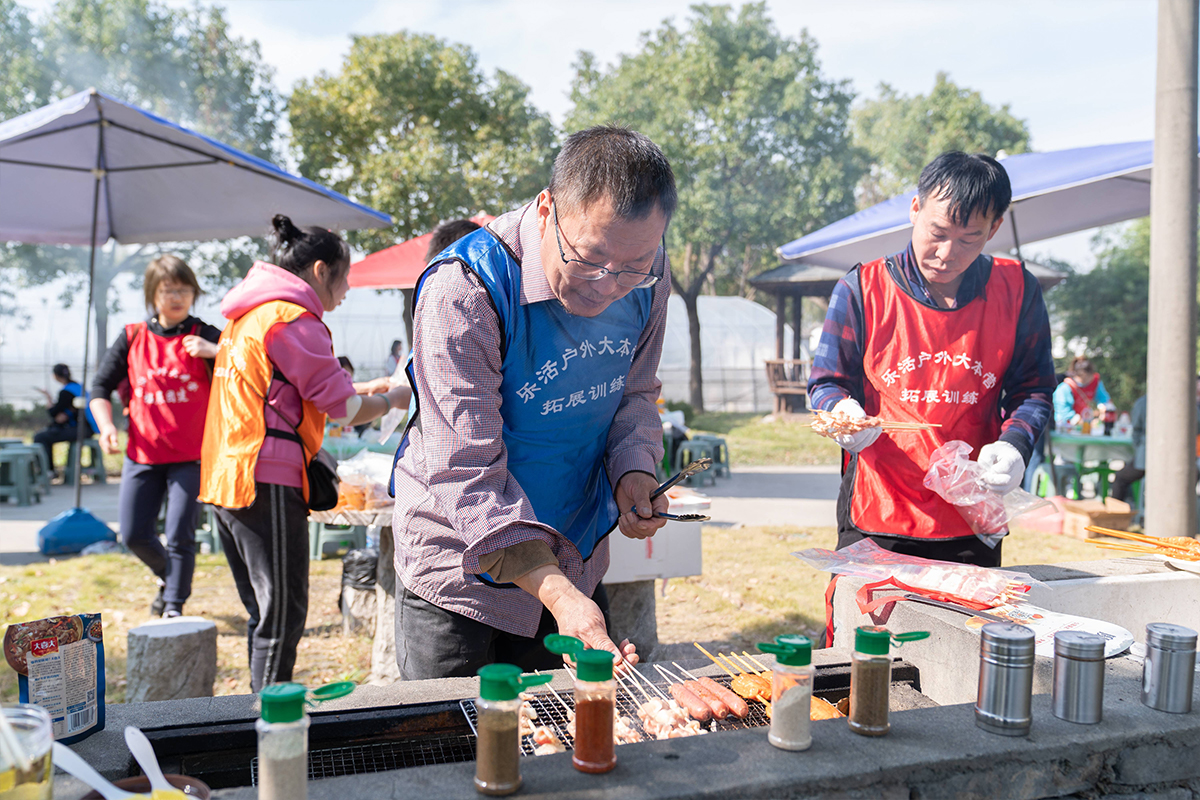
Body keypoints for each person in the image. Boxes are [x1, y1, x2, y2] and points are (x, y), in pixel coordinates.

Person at [392, 126, 675, 679]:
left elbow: (635, 393)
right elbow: (466, 471)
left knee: (571, 746)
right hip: (460, 574)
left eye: (633, 266)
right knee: (458, 751)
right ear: (547, 210)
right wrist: (563, 599)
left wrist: (635, 469)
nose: (607, 285)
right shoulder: (466, 289)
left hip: (574, 554)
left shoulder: (649, 277)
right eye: (589, 258)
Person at [808, 151, 1055, 571]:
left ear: (994, 228)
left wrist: (1015, 445)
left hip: (971, 510)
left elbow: (1034, 389)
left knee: (965, 630)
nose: (946, 253)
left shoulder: (1017, 290)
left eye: (969, 239)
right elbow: (826, 384)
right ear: (915, 209)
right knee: (868, 629)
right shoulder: (862, 289)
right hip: (879, 504)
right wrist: (841, 412)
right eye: (936, 232)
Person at [199, 214, 410, 692]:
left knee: (263, 612)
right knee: (284, 613)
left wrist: (365, 388)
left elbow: (287, 392)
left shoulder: (250, 316)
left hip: (226, 474)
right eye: (346, 275)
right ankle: (269, 728)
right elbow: (344, 407)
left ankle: (260, 718)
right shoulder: (294, 317)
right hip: (265, 478)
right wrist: (392, 399)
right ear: (321, 271)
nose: (348, 288)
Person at [89, 256, 220, 617]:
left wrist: (215, 352)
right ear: (153, 294)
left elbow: (250, 362)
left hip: (191, 456)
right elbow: (99, 386)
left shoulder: (205, 334)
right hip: (142, 454)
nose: (177, 297)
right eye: (168, 291)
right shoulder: (133, 336)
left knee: (180, 534)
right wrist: (107, 426)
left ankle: (174, 605)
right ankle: (170, 576)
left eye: (184, 289)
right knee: (133, 534)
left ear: (194, 292)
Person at [1111, 375, 1200, 504]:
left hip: (1148, 459)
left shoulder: (1143, 402)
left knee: (1120, 478)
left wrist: (1141, 450)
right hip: (1177, 459)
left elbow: (1136, 431)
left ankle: (1115, 517)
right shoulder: (1186, 402)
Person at [33, 364, 97, 479]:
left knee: (41, 437)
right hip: (89, 428)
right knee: (47, 434)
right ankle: (52, 471)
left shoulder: (66, 392)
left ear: (55, 376)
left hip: (82, 429)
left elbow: (53, 413)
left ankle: (48, 471)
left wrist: (48, 396)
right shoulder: (78, 387)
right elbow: (61, 415)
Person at [1053, 357, 1111, 427]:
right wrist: (1082, 423)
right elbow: (1063, 414)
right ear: (1082, 374)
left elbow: (1104, 400)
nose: (1091, 380)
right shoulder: (1064, 388)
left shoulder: (1095, 382)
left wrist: (1103, 408)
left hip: (1086, 425)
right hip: (1067, 428)